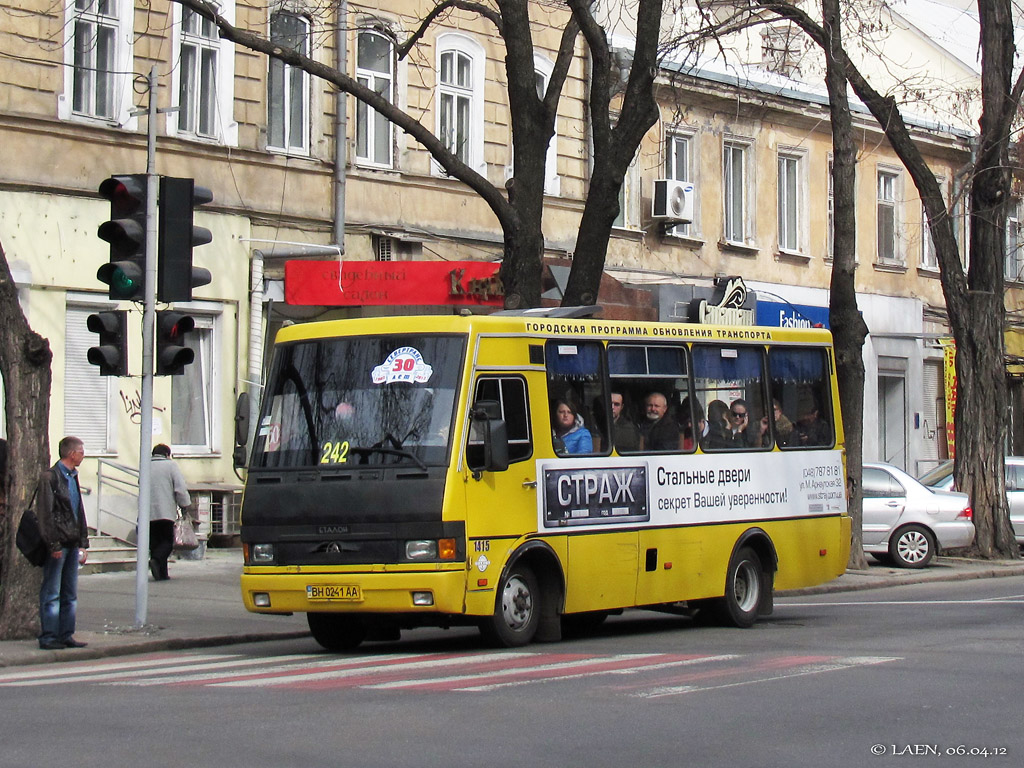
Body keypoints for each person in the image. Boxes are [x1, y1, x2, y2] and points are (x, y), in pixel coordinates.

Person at [35, 436, 90, 650]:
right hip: (58, 544)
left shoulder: (73, 477)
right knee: (52, 592)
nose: (83, 456)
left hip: (72, 542)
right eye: (81, 452)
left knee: (69, 592)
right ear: (71, 453)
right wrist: (53, 544)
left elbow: (78, 511)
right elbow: (45, 514)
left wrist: (83, 542)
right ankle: (49, 635)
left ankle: (66, 634)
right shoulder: (51, 477)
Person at [149, 444, 192, 581]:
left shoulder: (145, 465)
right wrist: (184, 505)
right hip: (165, 510)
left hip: (148, 512)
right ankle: (156, 560)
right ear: (167, 454)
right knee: (167, 542)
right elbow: (180, 487)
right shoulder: (170, 466)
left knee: (155, 542)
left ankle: (162, 573)